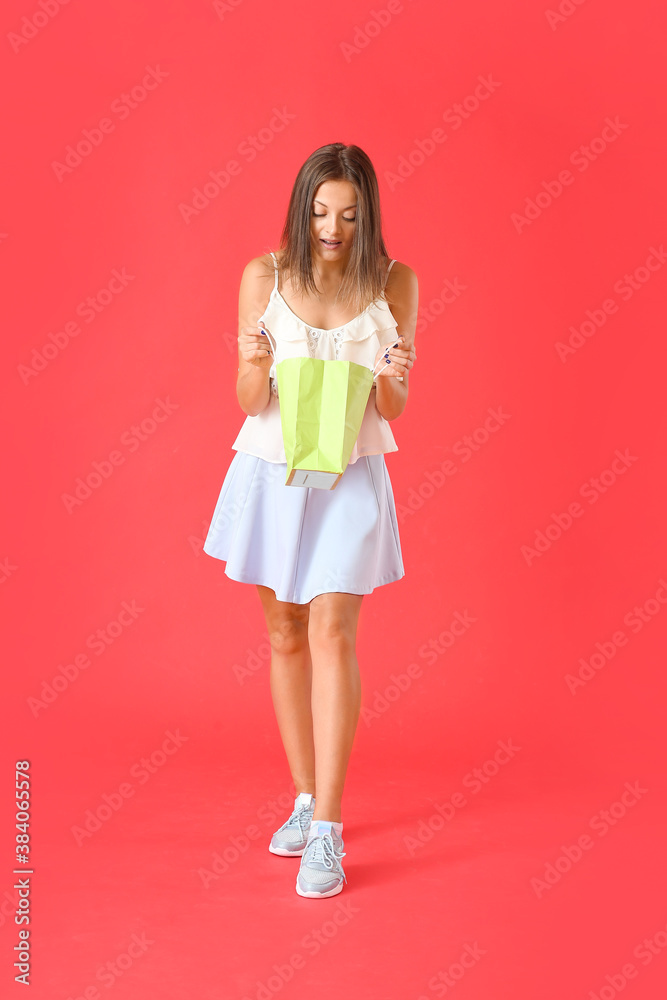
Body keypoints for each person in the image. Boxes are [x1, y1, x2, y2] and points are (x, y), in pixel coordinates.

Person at [203, 142, 417, 898]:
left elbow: (390, 408)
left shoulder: (394, 281)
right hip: (271, 471)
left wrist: (394, 376)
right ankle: (302, 795)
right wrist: (251, 359)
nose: (333, 229)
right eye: (322, 213)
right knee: (285, 632)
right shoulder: (264, 275)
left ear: (368, 216)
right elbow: (247, 397)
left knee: (333, 629)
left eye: (350, 216)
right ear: (303, 208)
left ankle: (326, 828)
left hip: (349, 473)